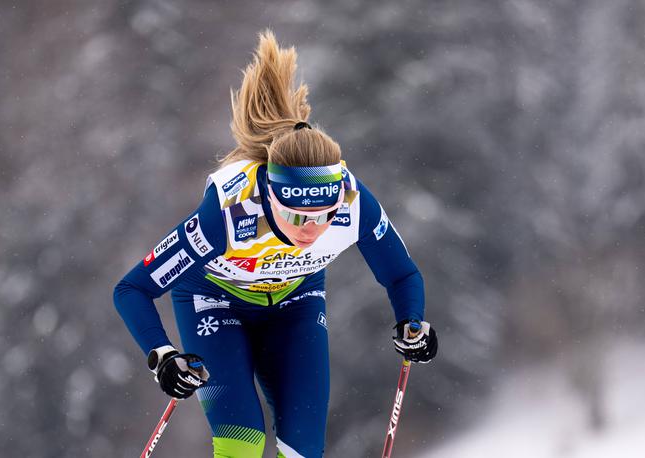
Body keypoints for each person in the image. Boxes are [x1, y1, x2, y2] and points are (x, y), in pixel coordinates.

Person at [113, 30, 438, 458]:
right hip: (214, 302)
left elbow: (402, 274)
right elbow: (132, 289)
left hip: (295, 303)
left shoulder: (355, 202)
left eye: (323, 215)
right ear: (270, 196)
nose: (311, 228)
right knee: (242, 442)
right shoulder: (228, 213)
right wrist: (163, 355)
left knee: (302, 448)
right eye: (296, 215)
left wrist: (412, 323)